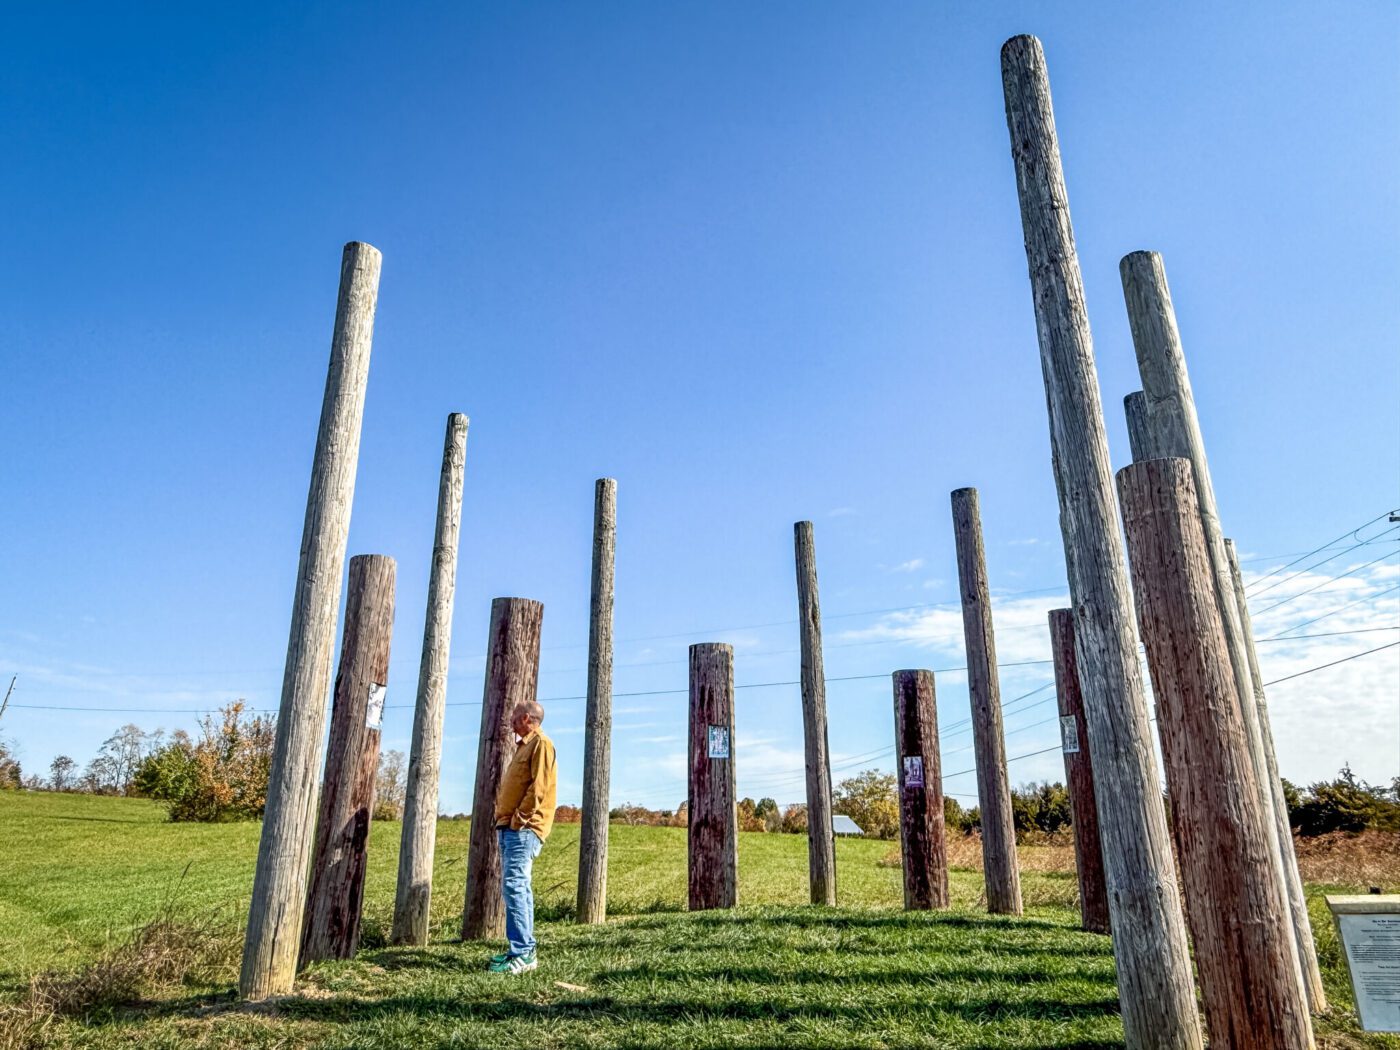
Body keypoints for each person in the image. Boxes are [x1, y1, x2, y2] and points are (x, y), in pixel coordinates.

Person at [488, 699, 556, 974]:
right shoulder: (524, 745)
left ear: (528, 718)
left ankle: (523, 954)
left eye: (515, 717)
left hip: (523, 828)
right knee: (517, 886)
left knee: (515, 885)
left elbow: (539, 788)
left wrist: (520, 820)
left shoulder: (541, 743)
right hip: (510, 826)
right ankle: (522, 949)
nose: (511, 721)